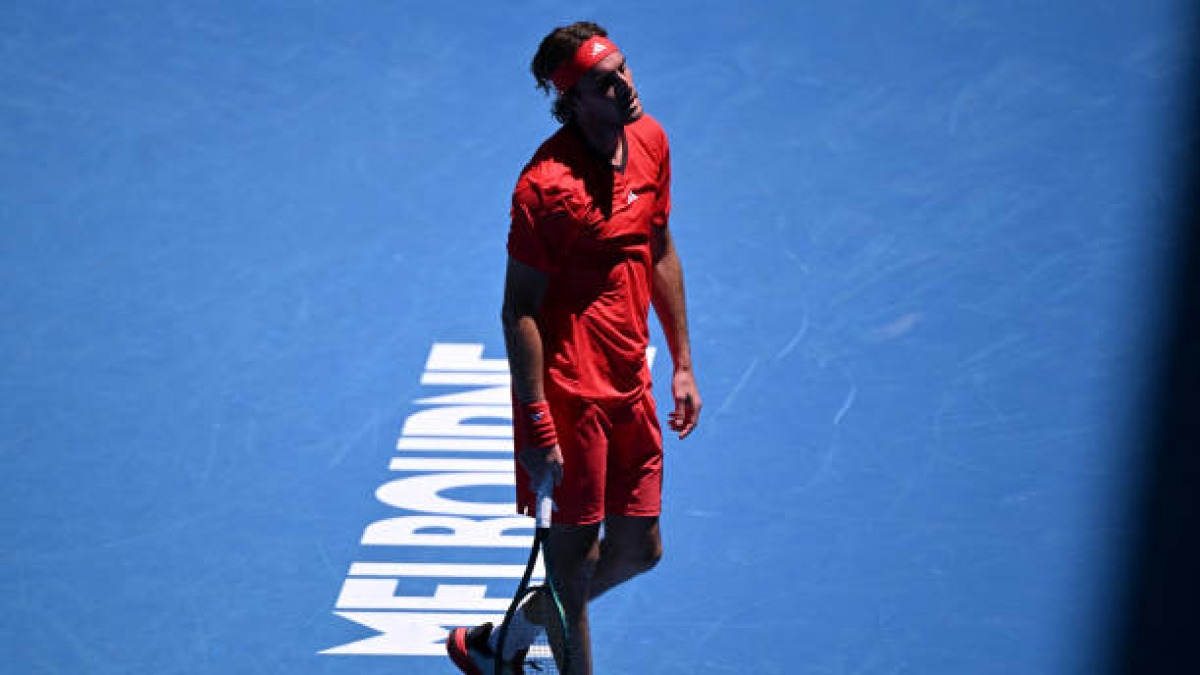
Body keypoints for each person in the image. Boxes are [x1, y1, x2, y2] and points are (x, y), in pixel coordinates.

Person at [447, 21, 701, 675]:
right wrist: (536, 420)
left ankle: (505, 637)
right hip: (569, 394)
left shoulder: (651, 140)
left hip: (631, 378)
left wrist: (682, 363)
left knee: (641, 549)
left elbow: (661, 248)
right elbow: (518, 309)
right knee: (575, 563)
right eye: (603, 81)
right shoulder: (545, 189)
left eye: (623, 68)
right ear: (573, 100)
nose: (624, 85)